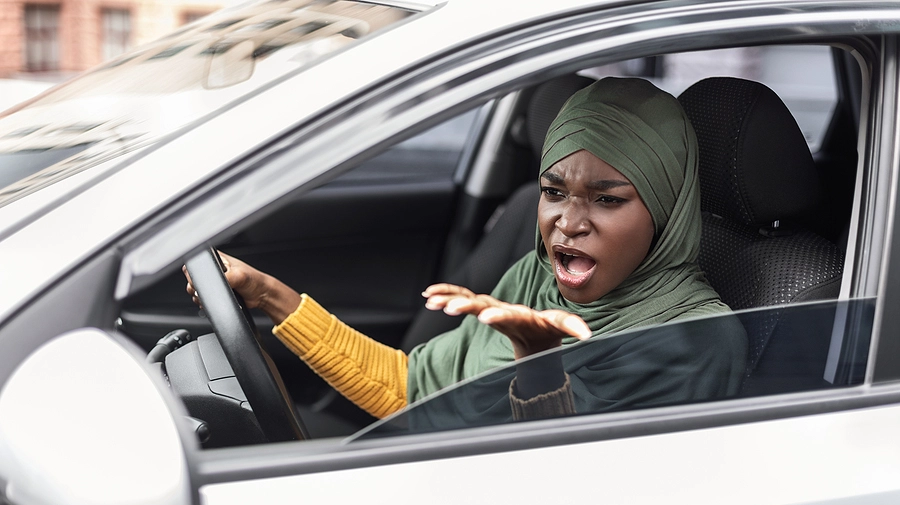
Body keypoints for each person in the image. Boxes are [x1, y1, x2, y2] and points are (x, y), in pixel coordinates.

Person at [185, 77, 748, 425]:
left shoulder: (695, 340)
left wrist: (537, 364)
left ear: (667, 208)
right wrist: (270, 295)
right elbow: (410, 389)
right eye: (554, 192)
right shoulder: (534, 279)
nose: (567, 223)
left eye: (607, 200)